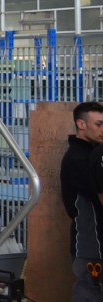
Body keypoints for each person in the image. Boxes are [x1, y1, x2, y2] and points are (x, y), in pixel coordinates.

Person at [63, 101, 103, 302]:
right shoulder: (78, 159)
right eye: (98, 124)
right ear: (81, 124)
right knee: (89, 290)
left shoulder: (92, 155)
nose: (102, 130)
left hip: (92, 241)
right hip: (89, 242)